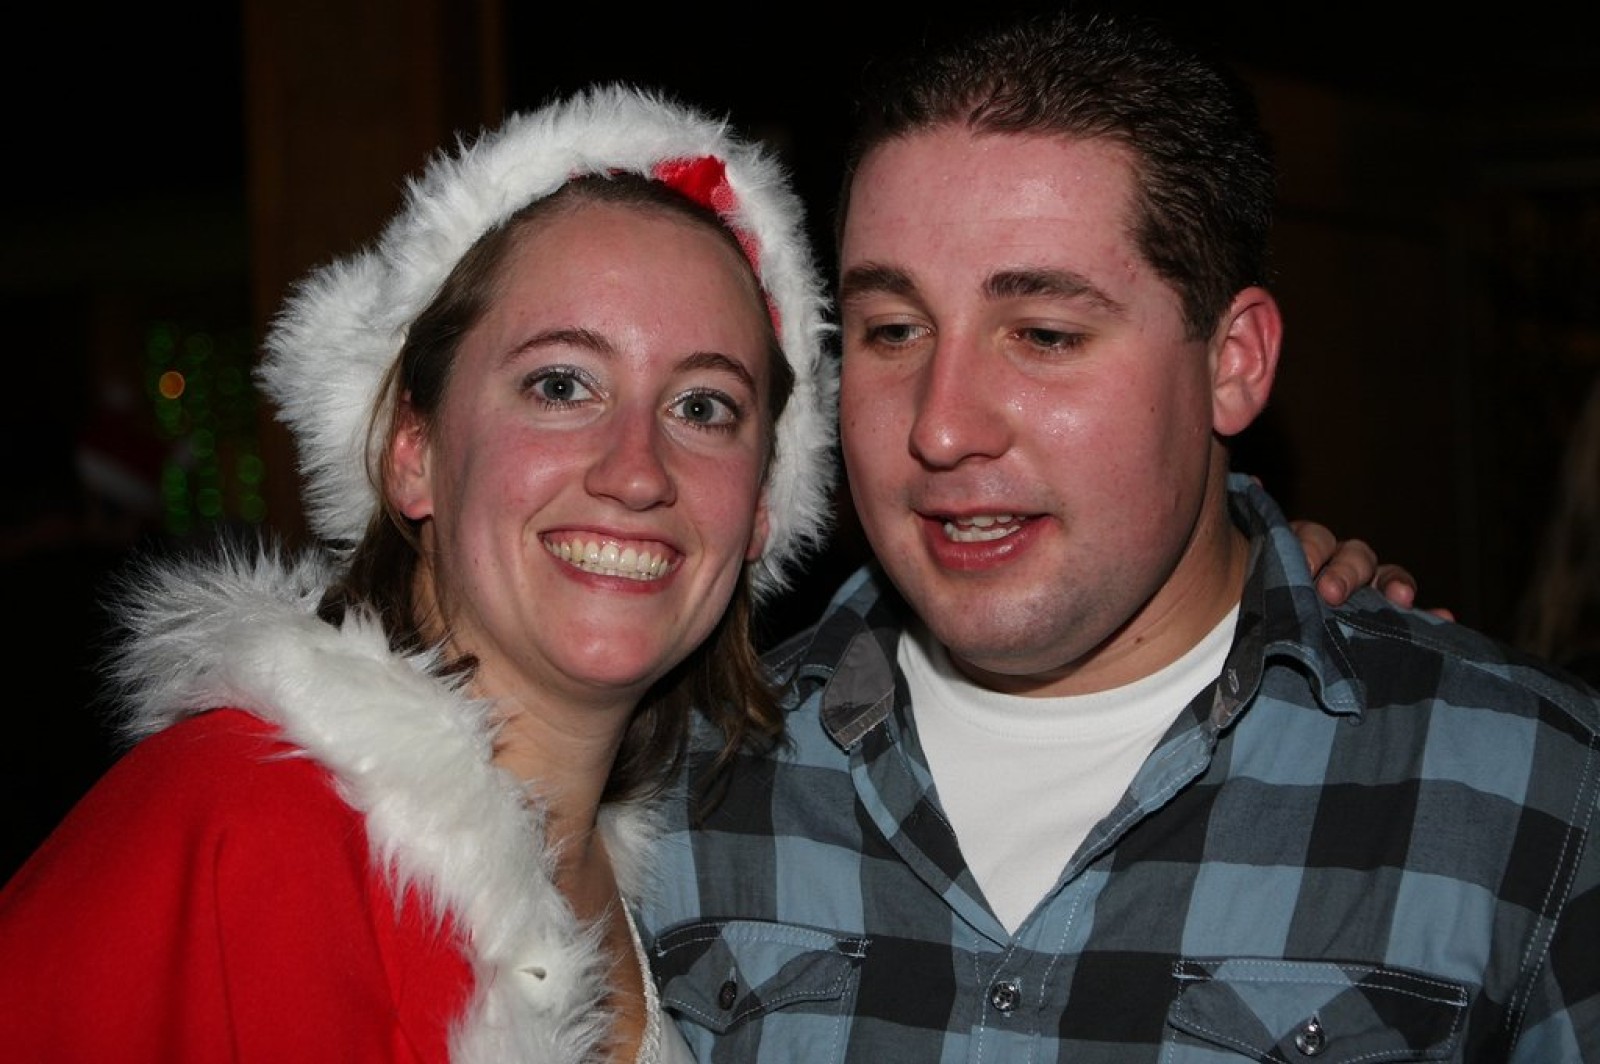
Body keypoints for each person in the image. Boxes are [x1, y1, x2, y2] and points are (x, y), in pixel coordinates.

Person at [637, 10, 1600, 1063]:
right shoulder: (677, 791)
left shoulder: (1531, 793)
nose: (941, 426)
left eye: (1045, 335)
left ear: (1233, 362)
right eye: (894, 330)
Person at [0, 84, 841, 1063]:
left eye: (703, 406)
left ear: (760, 506)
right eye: (561, 384)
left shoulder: (693, 892)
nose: (638, 470)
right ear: (413, 449)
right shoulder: (240, 827)